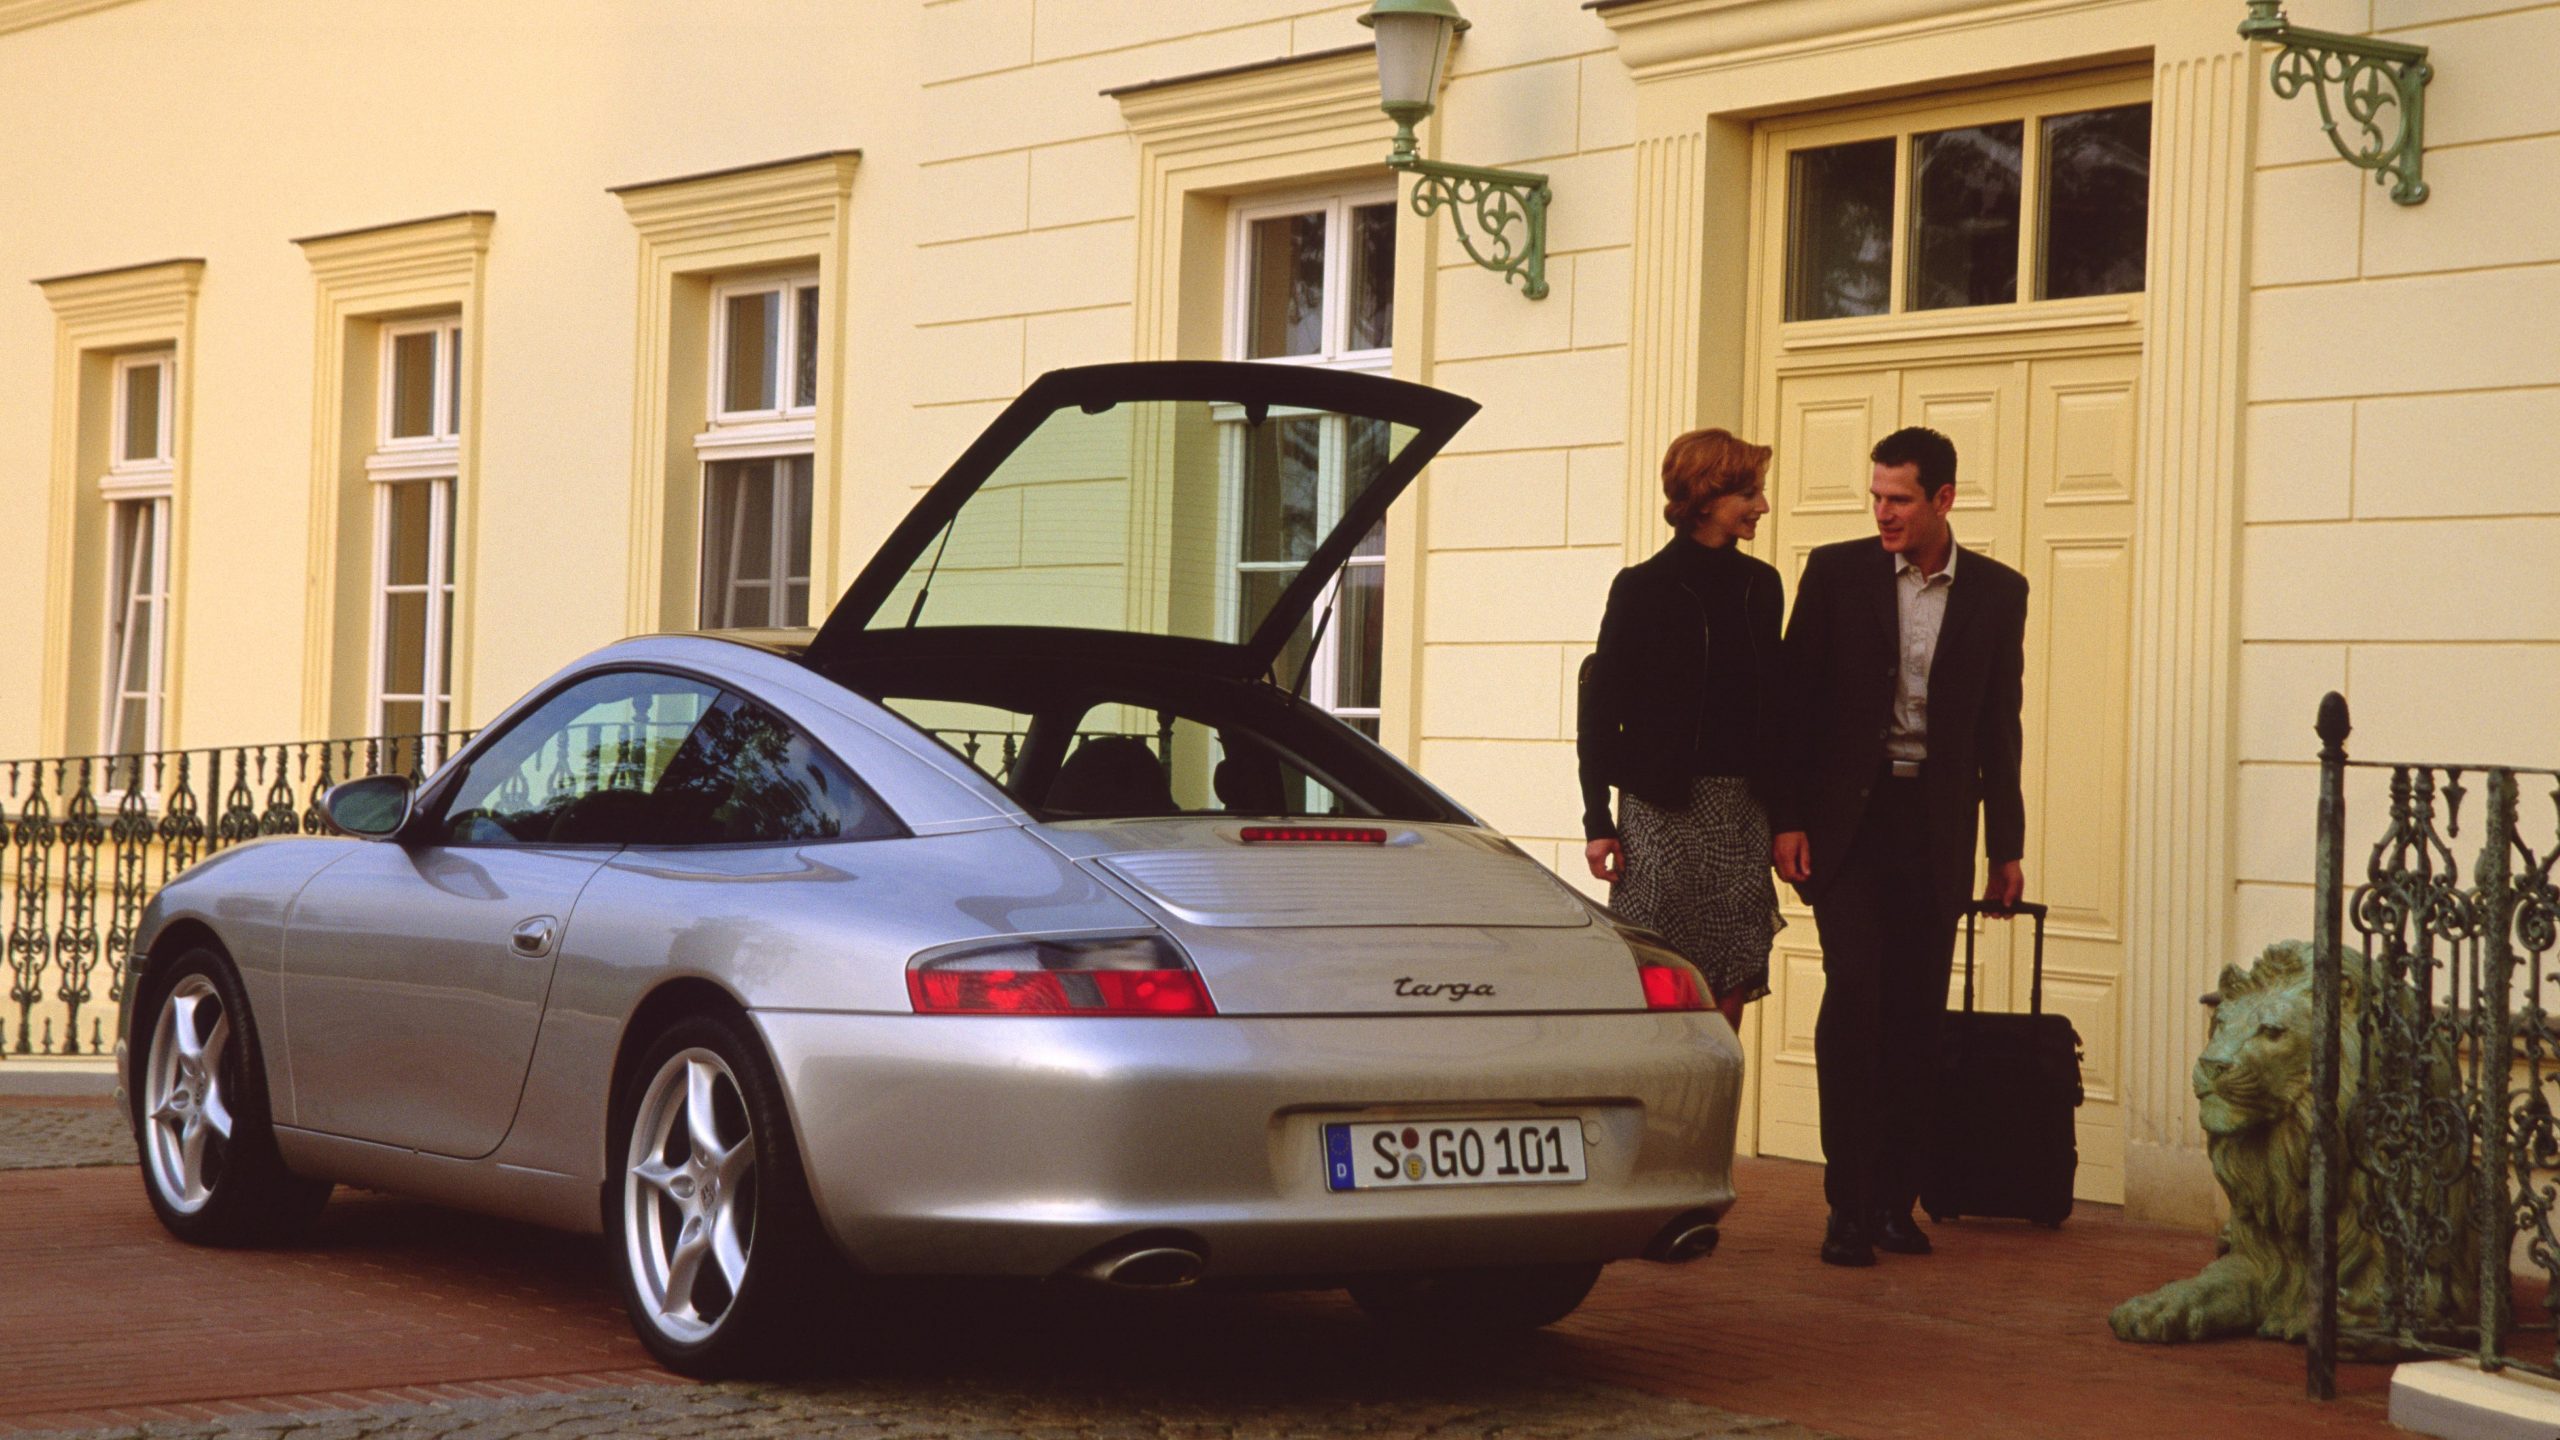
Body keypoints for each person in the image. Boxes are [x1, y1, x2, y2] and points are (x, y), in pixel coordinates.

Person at [1769, 425, 2028, 1268]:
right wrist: (1787, 818)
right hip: (1852, 823)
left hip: (1936, 824)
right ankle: (1846, 1206)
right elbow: (1795, 703)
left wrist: (2006, 846)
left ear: (1943, 499)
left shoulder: (1998, 593)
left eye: (1900, 500)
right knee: (1856, 996)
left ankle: (1893, 1203)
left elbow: (2000, 724)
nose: (1882, 513)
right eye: (1876, 496)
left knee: (1916, 1013)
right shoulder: (1835, 573)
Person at [1577, 428, 1785, 1041]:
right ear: (1706, 497)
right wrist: (1597, 820)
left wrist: (1788, 815)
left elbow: (1780, 707)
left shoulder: (1762, 585)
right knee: (1660, 989)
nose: (1762, 506)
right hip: (1659, 813)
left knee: (1729, 987)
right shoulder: (1642, 588)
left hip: (1742, 813)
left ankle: (1710, 1107)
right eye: (1749, 494)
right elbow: (1600, 709)